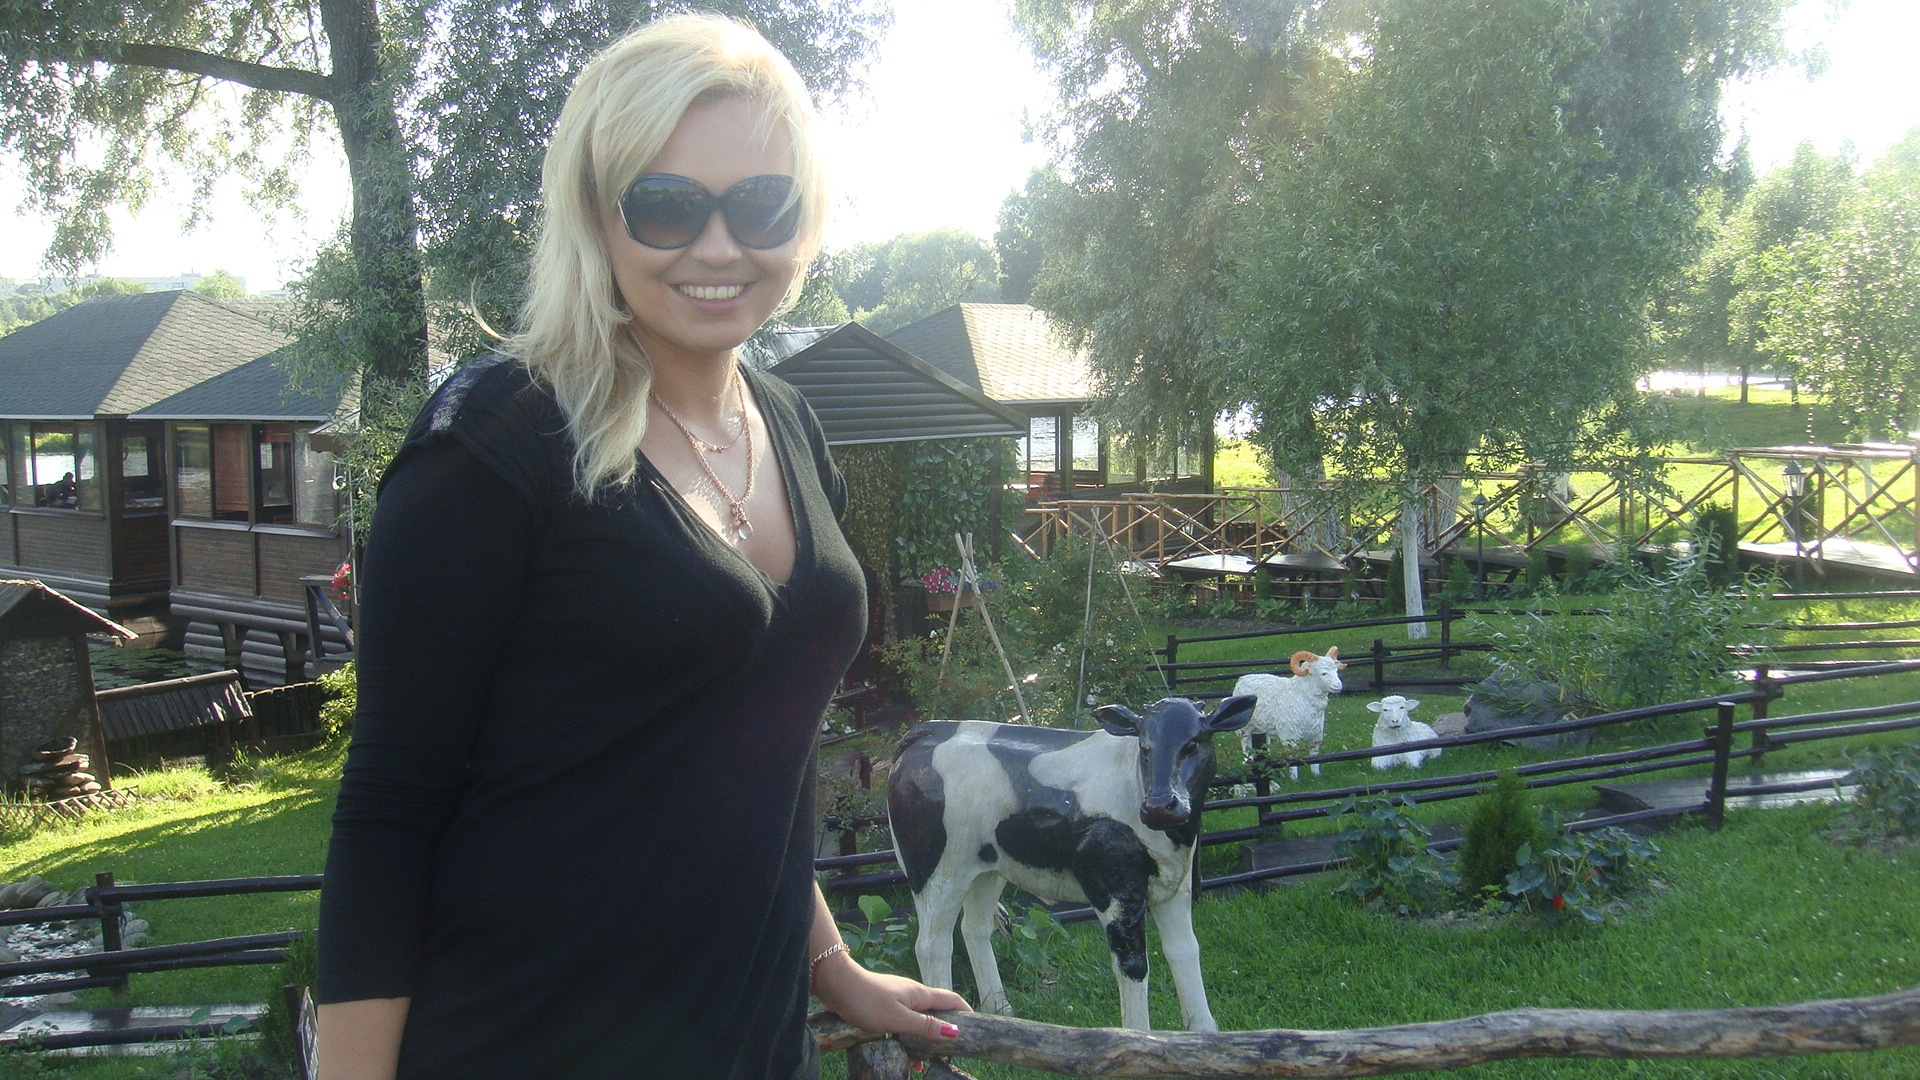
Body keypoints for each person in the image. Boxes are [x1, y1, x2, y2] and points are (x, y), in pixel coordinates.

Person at [314, 16, 968, 1079]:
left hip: (753, 1047)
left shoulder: (791, 425)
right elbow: (390, 806)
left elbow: (751, 755)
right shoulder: (497, 440)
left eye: (761, 204)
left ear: (805, 219)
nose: (718, 247)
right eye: (666, 205)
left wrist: (833, 965)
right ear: (595, 215)